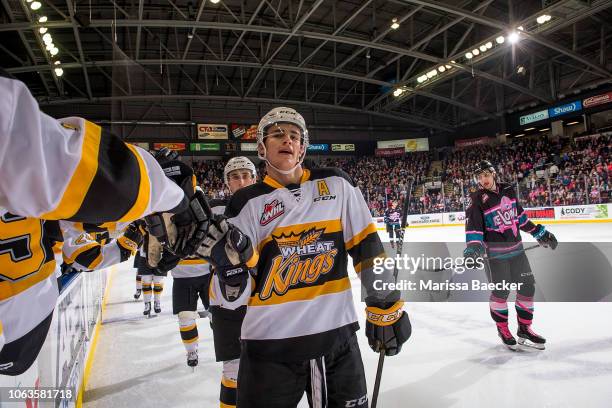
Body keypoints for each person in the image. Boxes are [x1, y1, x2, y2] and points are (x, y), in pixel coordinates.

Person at [194, 107, 412, 407]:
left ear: (303, 146)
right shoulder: (246, 202)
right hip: (268, 348)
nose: (288, 140)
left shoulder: (338, 184)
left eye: (295, 136)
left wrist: (385, 304)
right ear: (261, 147)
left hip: (337, 340)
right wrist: (228, 271)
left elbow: (368, 247)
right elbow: (238, 288)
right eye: (278, 134)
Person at [0, 76, 208, 375]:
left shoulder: (53, 211)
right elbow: (90, 173)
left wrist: (138, 227)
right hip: (18, 327)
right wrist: (173, 198)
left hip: (17, 327)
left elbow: (84, 250)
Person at [464, 160, 558, 351]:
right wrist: (473, 249)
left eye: (487, 175)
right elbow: (474, 230)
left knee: (527, 289)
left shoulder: (508, 189)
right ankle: (503, 329)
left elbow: (520, 217)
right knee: (501, 293)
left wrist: (539, 233)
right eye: (480, 177)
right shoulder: (476, 200)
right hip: (496, 257)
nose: (484, 179)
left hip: (517, 252)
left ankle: (524, 329)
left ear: (493, 174)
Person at [208, 157, 257, 407]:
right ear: (227, 181)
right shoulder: (212, 209)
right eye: (235, 176)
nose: (241, 181)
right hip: (225, 299)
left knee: (266, 370)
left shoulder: (270, 205)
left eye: (246, 175)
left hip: (264, 299)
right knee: (232, 370)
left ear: (254, 177)